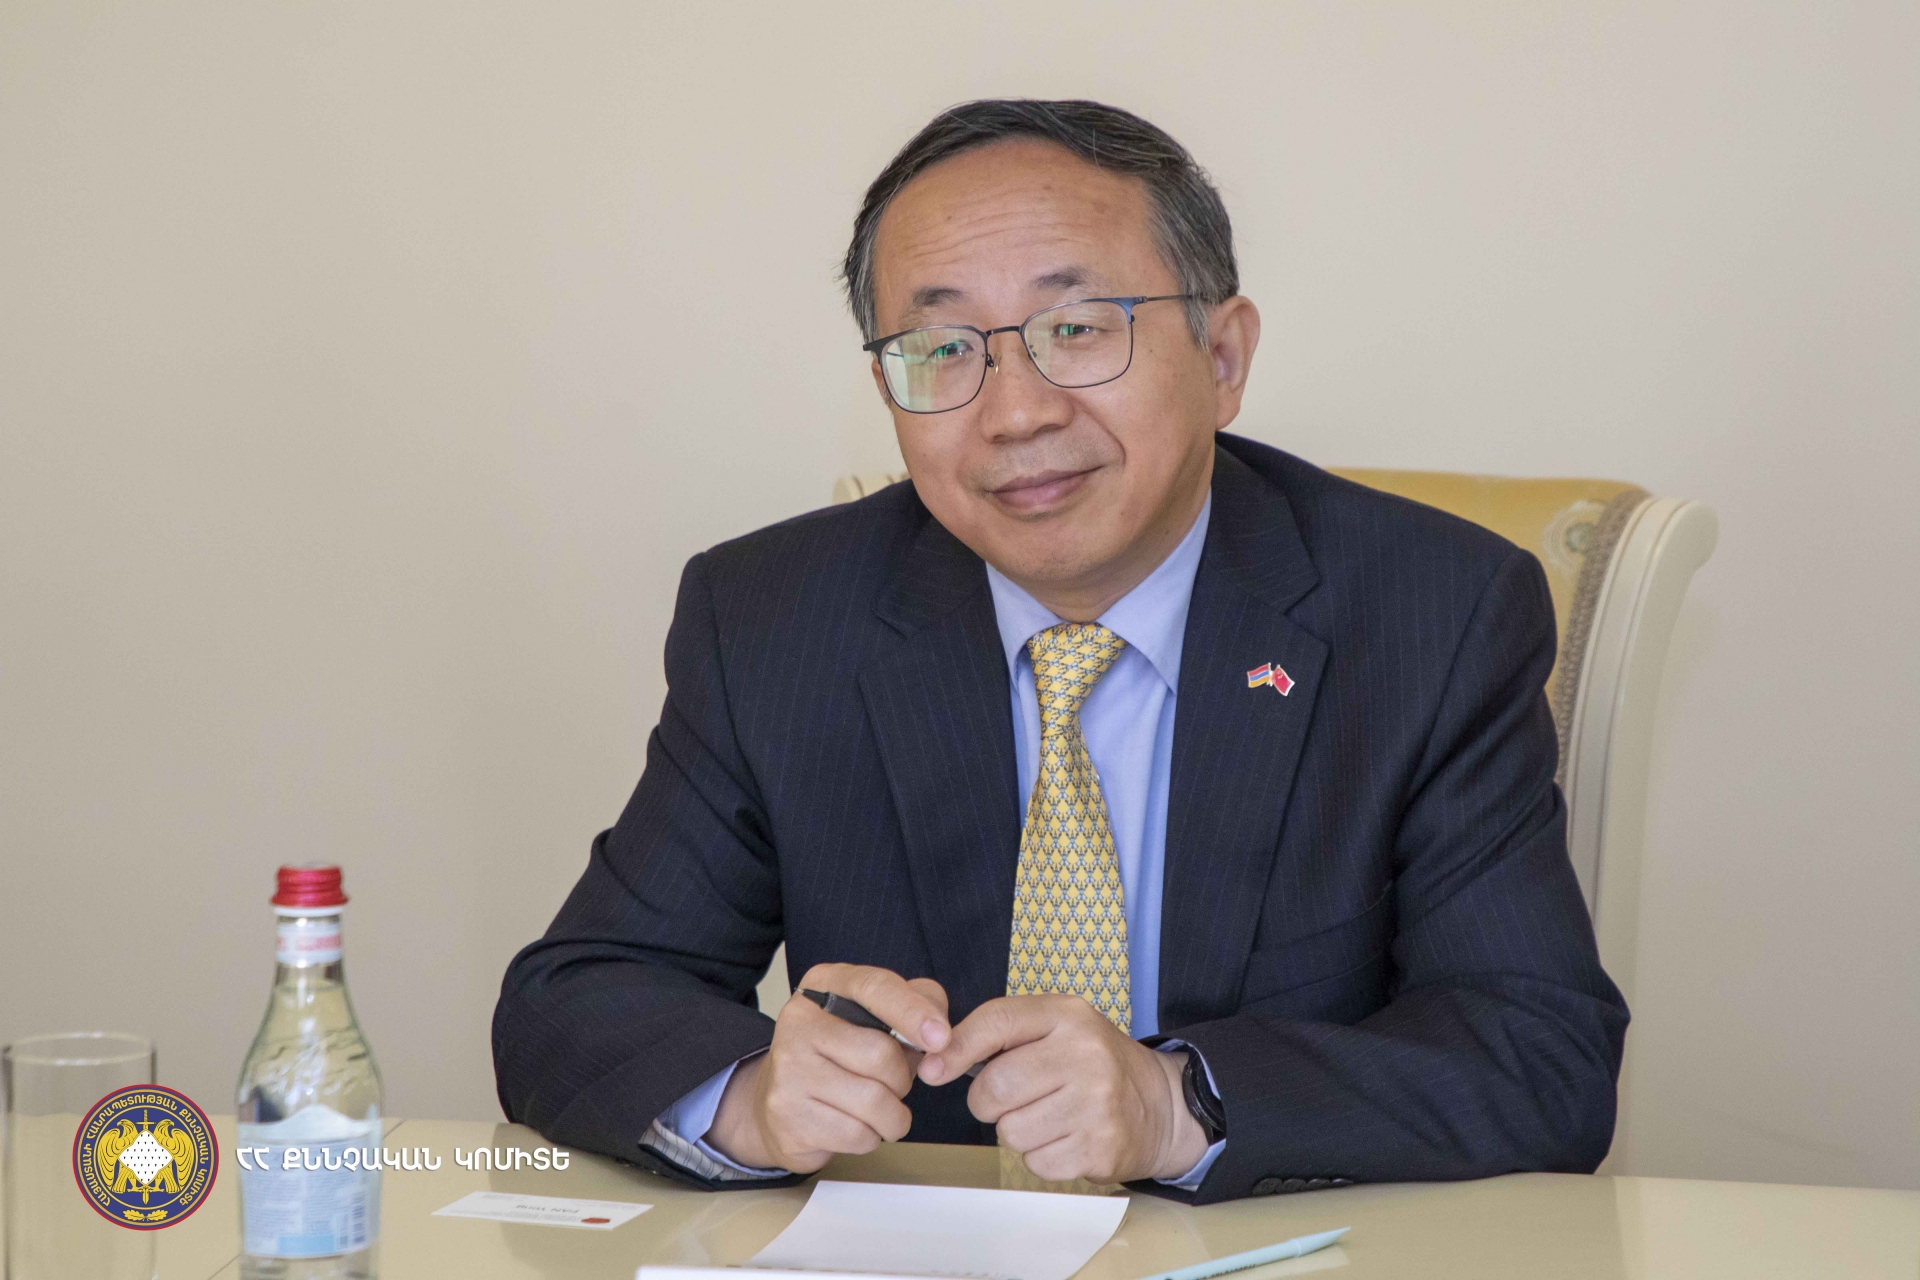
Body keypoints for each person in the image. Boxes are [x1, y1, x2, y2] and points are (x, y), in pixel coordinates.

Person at [492, 98, 1627, 1204]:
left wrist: (1179, 1103)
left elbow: (1539, 1050)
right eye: (941, 348)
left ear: (1223, 356)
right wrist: (751, 1098)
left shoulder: (1433, 614)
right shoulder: (774, 618)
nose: (1015, 412)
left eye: (1077, 329)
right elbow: (575, 998)